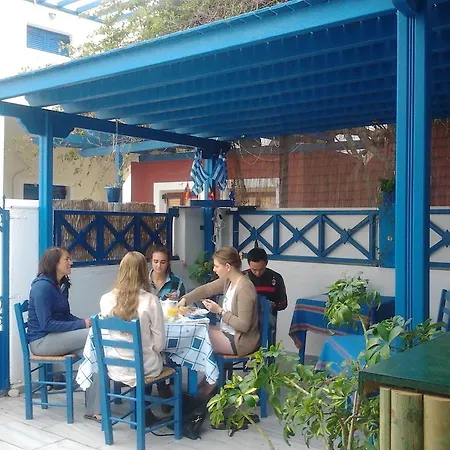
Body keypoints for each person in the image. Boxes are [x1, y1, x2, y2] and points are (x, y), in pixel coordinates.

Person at [26, 246, 100, 421]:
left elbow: (65, 316)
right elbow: (47, 323)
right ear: (54, 263)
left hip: (57, 338)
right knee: (94, 335)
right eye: (66, 259)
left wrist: (83, 322)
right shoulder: (42, 287)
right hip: (42, 342)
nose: (70, 262)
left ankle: (95, 409)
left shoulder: (60, 285)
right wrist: (82, 325)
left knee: (95, 353)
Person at [178, 246, 260, 397]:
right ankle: (208, 381)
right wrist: (185, 299)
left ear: (227, 267)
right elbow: (207, 289)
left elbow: (244, 325)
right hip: (228, 333)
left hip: (241, 341)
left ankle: (207, 385)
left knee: (196, 336)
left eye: (216, 266)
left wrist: (220, 311)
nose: (214, 270)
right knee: (198, 329)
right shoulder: (229, 281)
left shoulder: (245, 288)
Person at [100, 251, 166, 423]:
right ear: (144, 272)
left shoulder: (105, 300)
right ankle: (147, 411)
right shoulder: (151, 300)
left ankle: (141, 412)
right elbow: (159, 345)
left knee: (146, 358)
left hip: (115, 366)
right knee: (157, 359)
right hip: (143, 368)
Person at [148, 245, 185, 410]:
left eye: (163, 262)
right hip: (148, 329)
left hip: (171, 328)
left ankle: (164, 385)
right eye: (155, 261)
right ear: (151, 262)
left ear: (168, 263)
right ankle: (161, 387)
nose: (158, 266)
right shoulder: (142, 282)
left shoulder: (176, 283)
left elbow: (184, 307)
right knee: (151, 347)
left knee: (166, 348)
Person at [245, 247, 287, 333]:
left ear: (266, 263)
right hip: (246, 319)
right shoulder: (243, 277)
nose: (258, 273)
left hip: (267, 321)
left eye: (261, 269)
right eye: (254, 270)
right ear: (249, 264)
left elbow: (283, 303)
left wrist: (273, 305)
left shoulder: (275, 278)